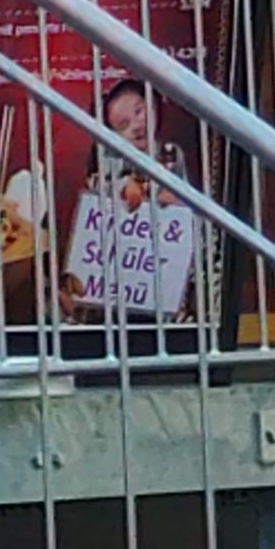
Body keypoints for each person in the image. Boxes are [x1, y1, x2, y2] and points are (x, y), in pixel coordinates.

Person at [64, 69, 206, 349]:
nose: (136, 125)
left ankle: (178, 311)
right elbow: (104, 195)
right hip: (125, 262)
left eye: (140, 111)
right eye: (123, 124)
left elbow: (185, 201)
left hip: (164, 253)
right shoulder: (108, 159)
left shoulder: (171, 153)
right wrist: (126, 187)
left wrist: (175, 199)